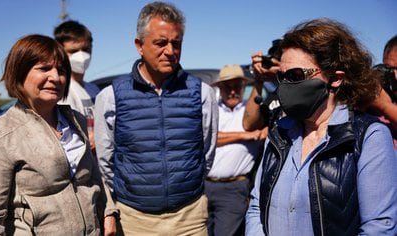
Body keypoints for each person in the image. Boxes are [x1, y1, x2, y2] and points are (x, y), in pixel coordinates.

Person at [245, 18, 397, 236]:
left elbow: (379, 227)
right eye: (282, 77)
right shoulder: (279, 133)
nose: (286, 85)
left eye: (296, 76)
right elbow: (256, 207)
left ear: (335, 79)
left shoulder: (368, 137)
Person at [94, 2, 218, 235]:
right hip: (134, 220)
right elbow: (105, 160)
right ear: (139, 45)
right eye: (161, 43)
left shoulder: (202, 93)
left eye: (176, 43)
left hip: (189, 218)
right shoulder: (111, 96)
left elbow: (207, 153)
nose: (170, 51)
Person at [0, 34, 118, 235]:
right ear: (19, 72)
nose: (55, 77)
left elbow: (93, 175)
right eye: (44, 68)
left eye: (61, 70)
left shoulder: (75, 119)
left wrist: (109, 212)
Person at [205, 64, 265, 236]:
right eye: (227, 86)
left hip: (234, 188)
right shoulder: (212, 109)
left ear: (244, 87)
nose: (232, 91)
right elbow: (207, 138)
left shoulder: (251, 112)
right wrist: (245, 135)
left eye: (237, 86)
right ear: (220, 88)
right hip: (204, 185)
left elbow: (260, 128)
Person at [54, 20, 100, 153]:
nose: (81, 56)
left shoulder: (94, 89)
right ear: (60, 51)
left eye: (85, 50)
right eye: (73, 51)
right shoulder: (61, 90)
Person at [369, 35, 397, 149]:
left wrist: (384, 106)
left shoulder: (383, 102)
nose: (394, 75)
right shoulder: (380, 92)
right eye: (388, 68)